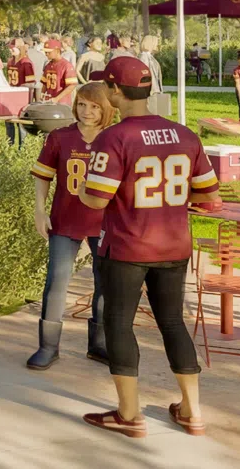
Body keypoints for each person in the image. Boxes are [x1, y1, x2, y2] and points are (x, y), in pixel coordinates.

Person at [79, 55, 217, 438]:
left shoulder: (115, 137)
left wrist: (77, 189)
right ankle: (192, 411)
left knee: (119, 323)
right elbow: (208, 195)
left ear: (114, 92)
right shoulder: (185, 134)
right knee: (173, 322)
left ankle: (129, 414)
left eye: (106, 88)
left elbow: (96, 198)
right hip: (174, 244)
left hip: (127, 245)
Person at [26, 84, 116, 370]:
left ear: (106, 109)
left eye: (94, 106)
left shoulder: (115, 139)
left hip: (105, 223)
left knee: (106, 284)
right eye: (81, 105)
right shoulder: (60, 137)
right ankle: (48, 346)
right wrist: (40, 211)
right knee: (56, 281)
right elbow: (43, 176)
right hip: (65, 220)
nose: (86, 112)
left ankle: (98, 344)